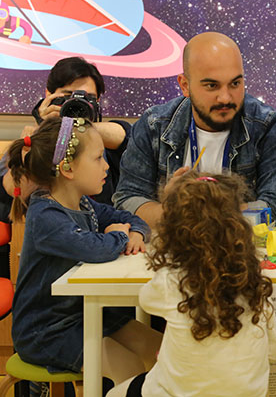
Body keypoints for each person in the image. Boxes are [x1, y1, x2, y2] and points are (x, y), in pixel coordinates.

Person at [6, 117, 162, 387]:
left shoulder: (83, 203)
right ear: (67, 168)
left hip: (83, 315)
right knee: (129, 366)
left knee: (162, 351)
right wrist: (120, 234)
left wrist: (135, 232)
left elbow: (127, 216)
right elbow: (94, 248)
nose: (106, 166)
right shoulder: (45, 215)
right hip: (45, 332)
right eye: (99, 158)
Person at [107, 172, 276, 396]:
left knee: (115, 393)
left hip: (174, 392)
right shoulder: (254, 283)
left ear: (174, 233)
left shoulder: (171, 281)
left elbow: (146, 302)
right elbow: (273, 353)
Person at [113, 32, 276, 227]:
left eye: (235, 83)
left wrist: (187, 213)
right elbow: (127, 201)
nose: (226, 98)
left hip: (243, 251)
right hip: (172, 250)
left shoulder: (267, 126)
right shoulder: (154, 125)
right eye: (212, 85)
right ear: (185, 85)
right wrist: (170, 210)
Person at [0, 56, 131, 222]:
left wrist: (72, 127)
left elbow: (126, 135)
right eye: (68, 96)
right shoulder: (32, 138)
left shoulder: (106, 139)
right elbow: (11, 192)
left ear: (97, 102)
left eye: (87, 98)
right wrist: (46, 133)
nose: (77, 104)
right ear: (49, 95)